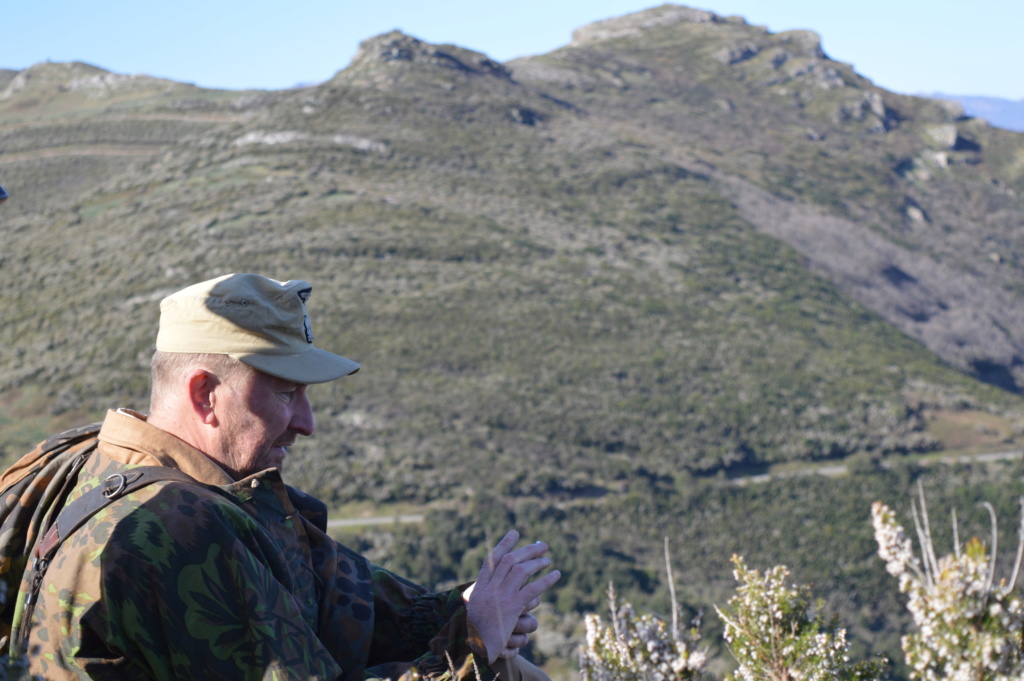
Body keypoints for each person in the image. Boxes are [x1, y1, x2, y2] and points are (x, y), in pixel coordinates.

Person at [20, 273, 560, 681]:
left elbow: (328, 592)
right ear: (205, 394)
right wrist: (475, 646)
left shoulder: (106, 460)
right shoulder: (177, 529)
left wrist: (460, 612)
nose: (307, 423)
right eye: (284, 392)